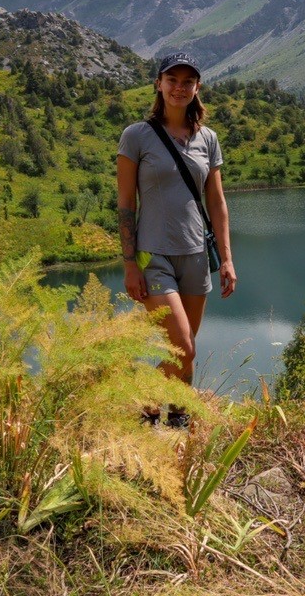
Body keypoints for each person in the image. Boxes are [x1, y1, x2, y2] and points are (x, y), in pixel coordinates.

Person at [117, 52, 236, 427]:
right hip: (153, 258)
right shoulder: (137, 136)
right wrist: (128, 264)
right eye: (172, 80)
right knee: (182, 345)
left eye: (188, 81)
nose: (179, 88)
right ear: (159, 83)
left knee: (185, 352)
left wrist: (228, 259)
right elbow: (125, 205)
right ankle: (140, 405)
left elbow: (216, 202)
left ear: (197, 87)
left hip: (197, 255)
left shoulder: (209, 139)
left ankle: (175, 421)